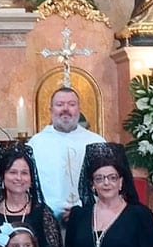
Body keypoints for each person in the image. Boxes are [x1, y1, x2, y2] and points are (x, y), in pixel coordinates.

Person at [27, 87, 105, 220]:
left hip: (89, 217)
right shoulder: (36, 143)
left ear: (79, 110)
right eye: (59, 104)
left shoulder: (96, 142)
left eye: (71, 104)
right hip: (47, 219)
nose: (65, 109)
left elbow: (106, 181)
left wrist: (80, 211)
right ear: (51, 110)